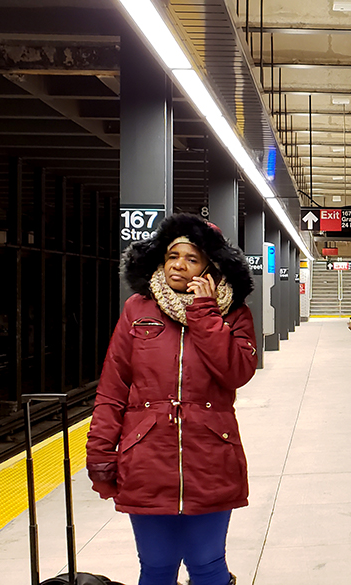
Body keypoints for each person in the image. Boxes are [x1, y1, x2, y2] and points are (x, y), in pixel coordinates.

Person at [85, 213, 258, 585]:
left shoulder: (235, 315)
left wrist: (205, 313)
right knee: (157, 567)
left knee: (207, 565)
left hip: (210, 456)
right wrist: (100, 451)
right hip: (147, 457)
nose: (179, 264)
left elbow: (236, 372)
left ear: (210, 267)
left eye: (192, 258)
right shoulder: (137, 309)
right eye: (172, 255)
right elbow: (113, 387)